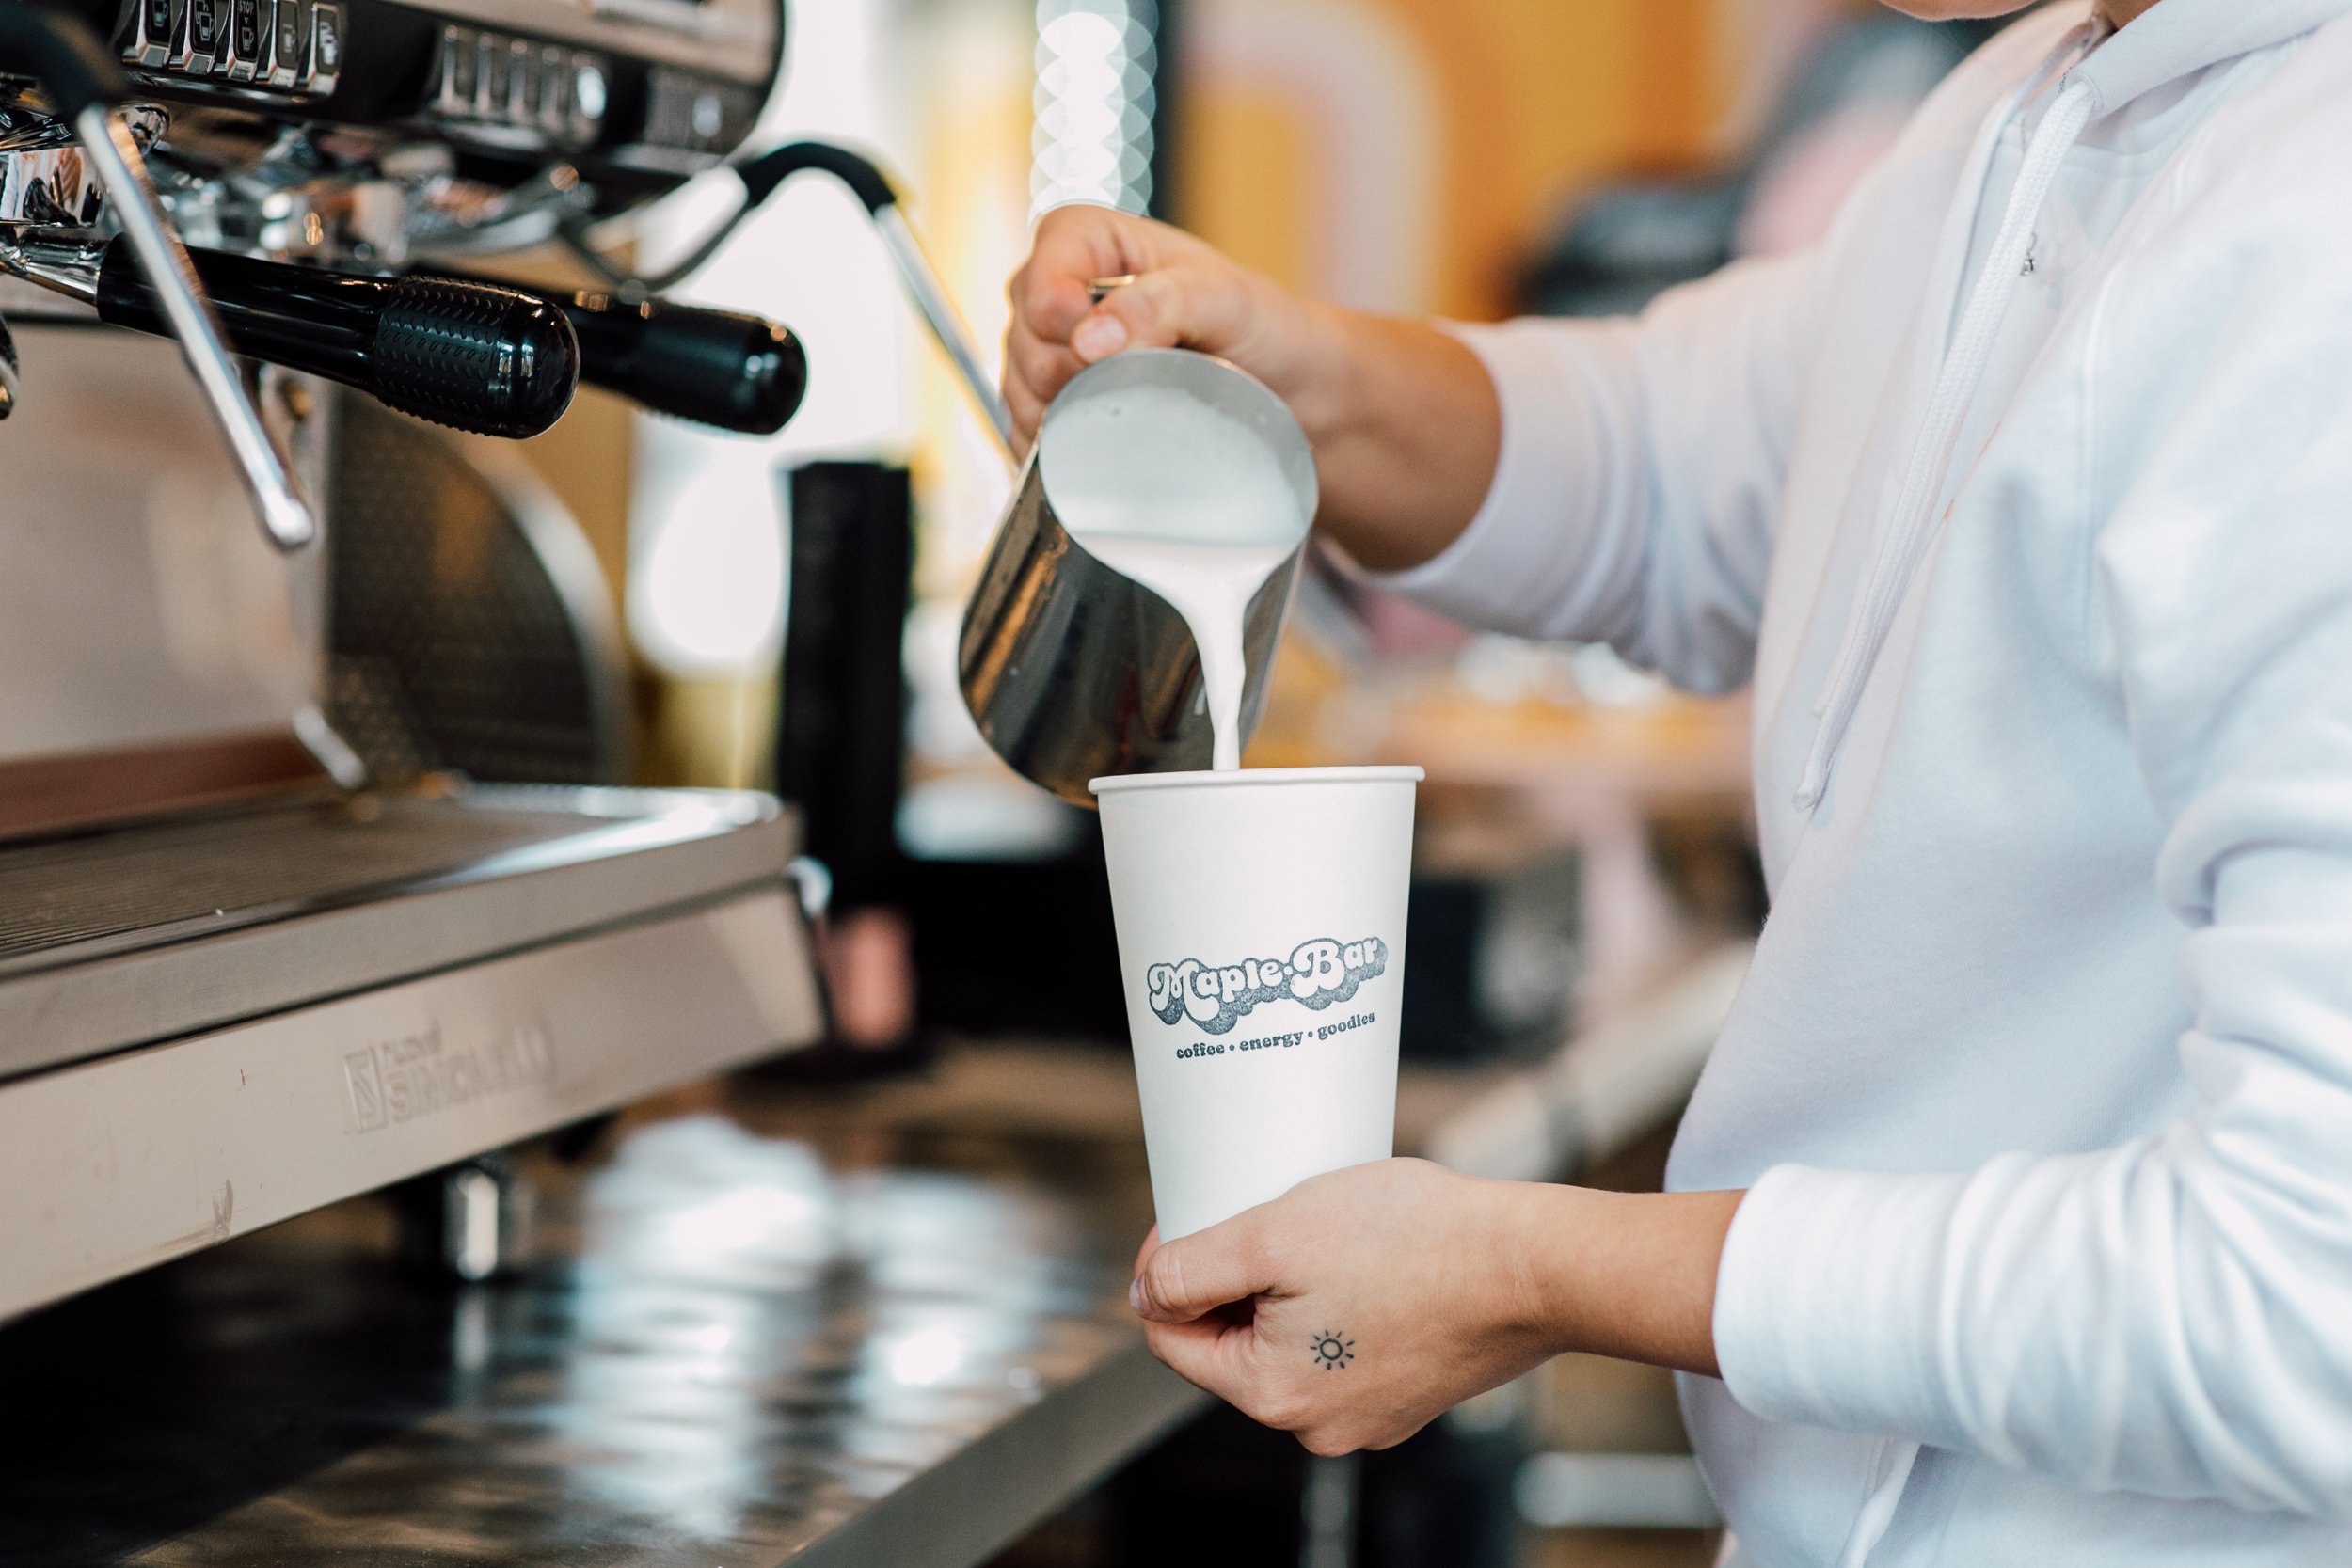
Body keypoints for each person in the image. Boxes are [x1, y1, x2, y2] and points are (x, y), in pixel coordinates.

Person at [1001, 0, 2352, 1562]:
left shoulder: (2309, 232)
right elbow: (1669, 459)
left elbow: (2305, 1302)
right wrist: (1289, 369)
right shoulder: (2022, 103)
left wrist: (1534, 1269)